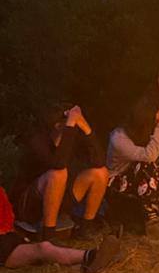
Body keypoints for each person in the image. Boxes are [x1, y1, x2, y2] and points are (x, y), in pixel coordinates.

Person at [12, 104, 109, 242]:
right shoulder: (37, 140)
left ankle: (84, 229)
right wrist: (70, 125)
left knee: (101, 173)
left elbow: (100, 161)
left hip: (59, 197)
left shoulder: (72, 139)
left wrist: (86, 128)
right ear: (58, 125)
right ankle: (48, 237)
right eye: (72, 123)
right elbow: (58, 164)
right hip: (31, 205)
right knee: (58, 174)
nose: (74, 127)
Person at [106, 97, 159, 232]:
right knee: (146, 165)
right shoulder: (119, 137)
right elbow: (148, 156)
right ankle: (151, 218)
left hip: (142, 177)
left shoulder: (148, 130)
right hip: (118, 180)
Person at [2, 186, 122, 273]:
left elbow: (8, 217)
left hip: (9, 238)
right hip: (4, 248)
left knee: (44, 251)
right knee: (43, 249)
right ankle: (91, 257)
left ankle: (87, 264)